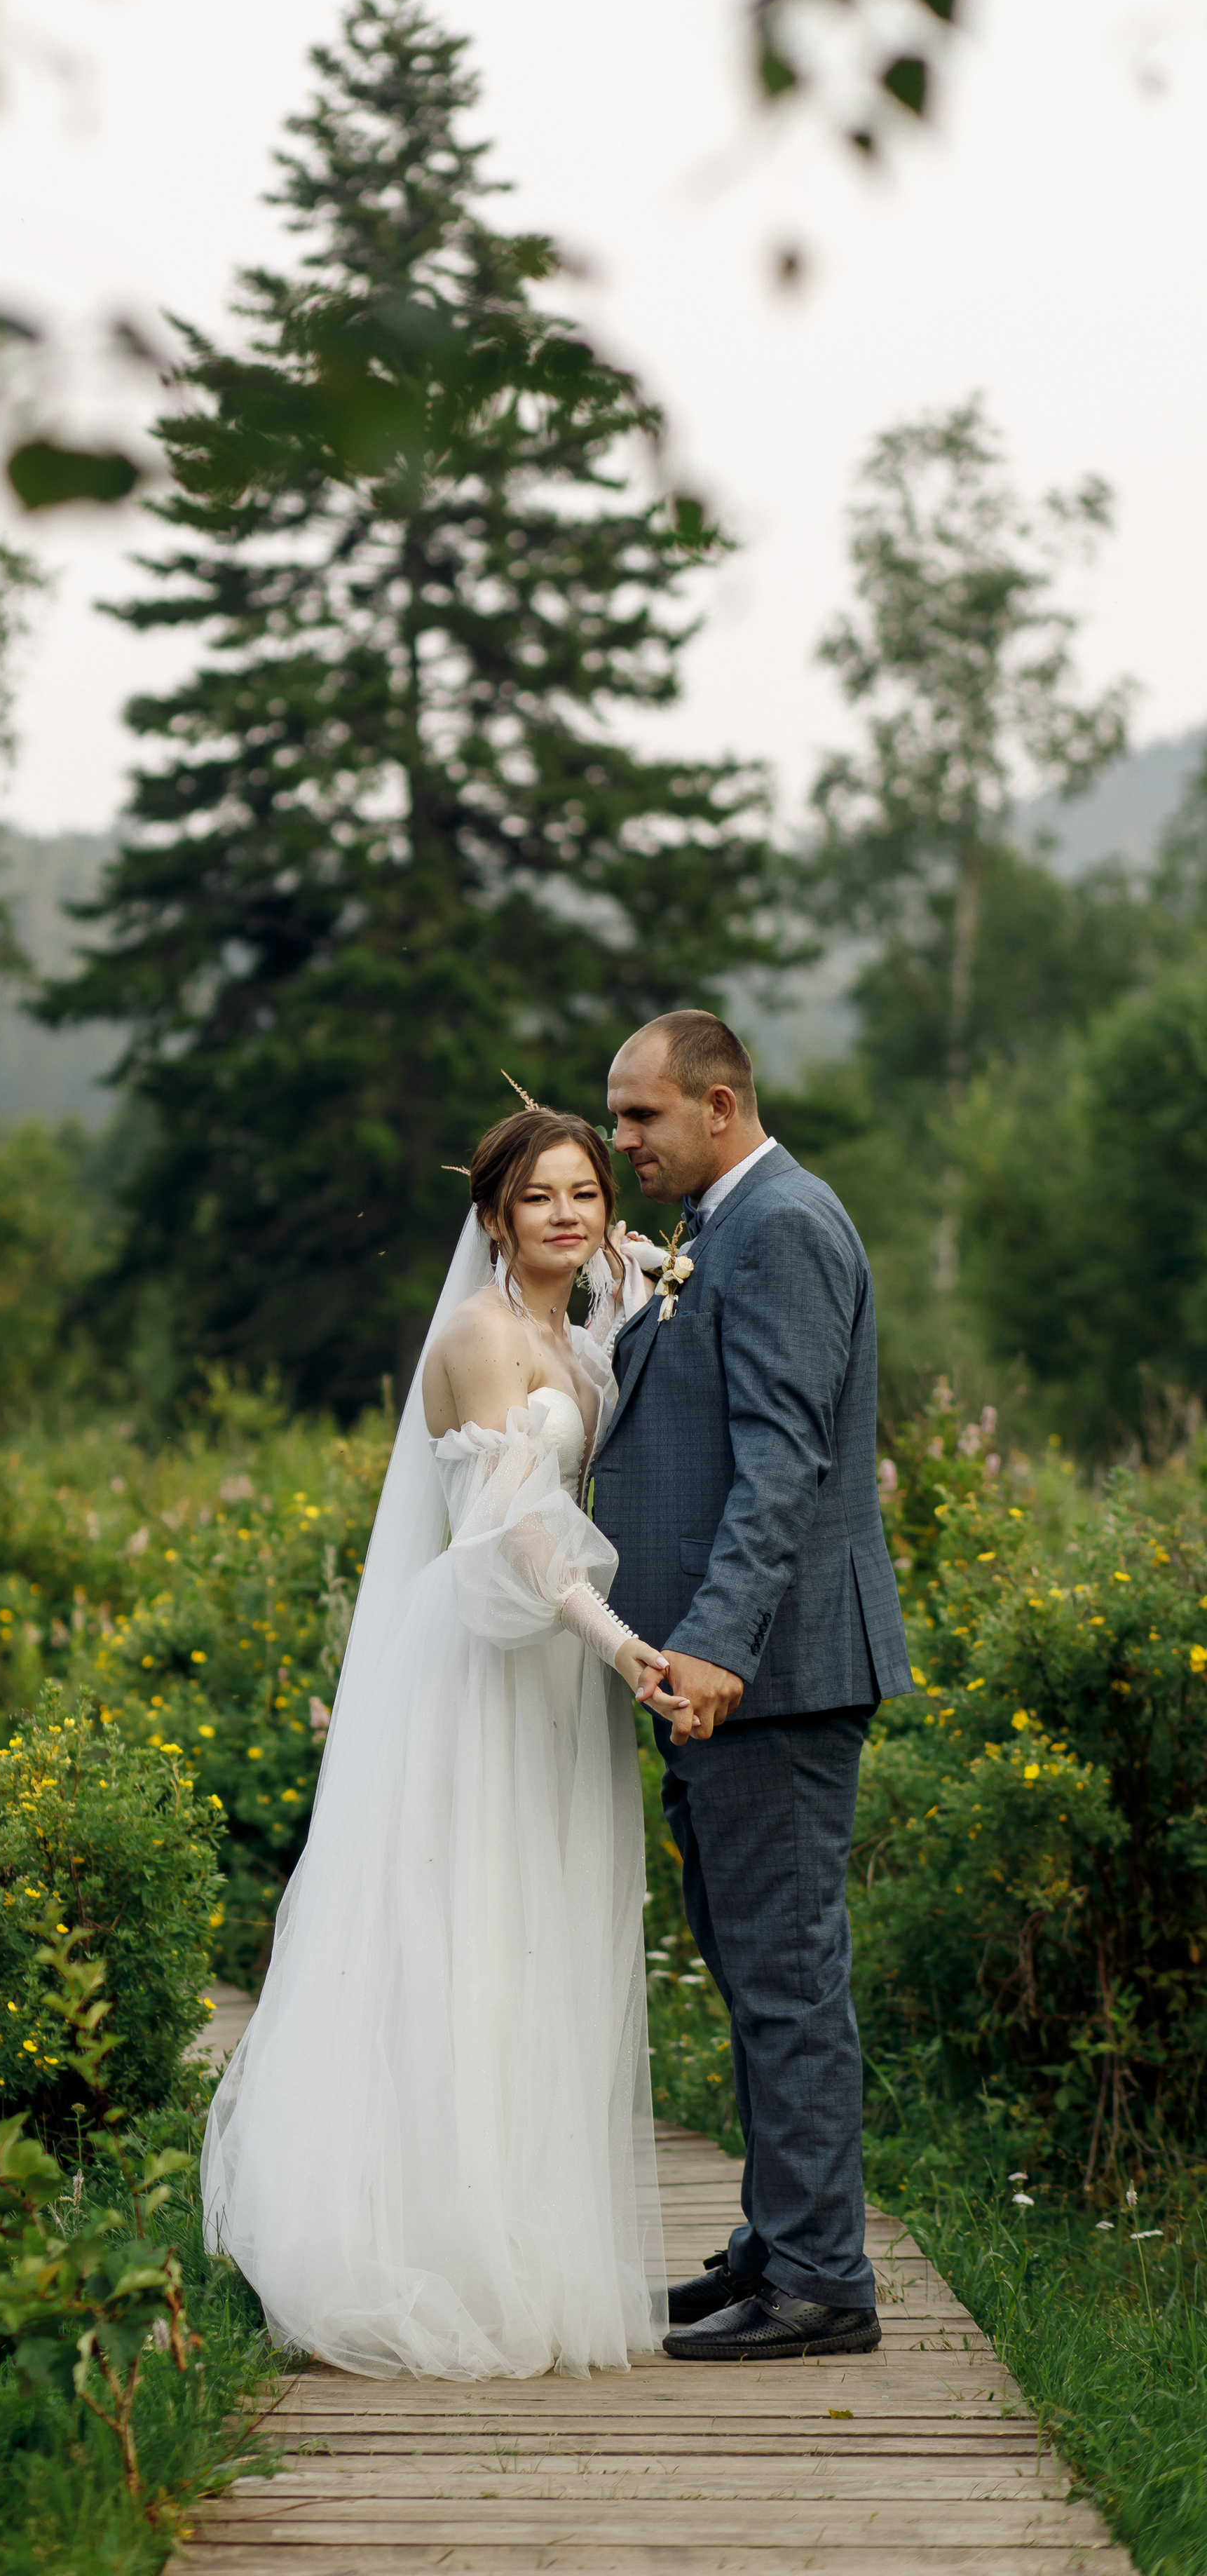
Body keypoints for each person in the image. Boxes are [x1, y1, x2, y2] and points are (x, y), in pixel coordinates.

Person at [200, 1102, 691, 2379]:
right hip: (489, 1666)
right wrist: (622, 1645)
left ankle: (526, 2238)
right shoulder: (480, 1338)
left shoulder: (567, 1326)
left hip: (555, 1680)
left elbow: (605, 1361)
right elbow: (516, 1535)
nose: (572, 1215)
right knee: (470, 1933)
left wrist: (634, 1285)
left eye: (587, 1193)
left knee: (548, 1942)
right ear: (493, 1218)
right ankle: (440, 2245)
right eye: (542, 1199)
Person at [592, 1009, 913, 2363]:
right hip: (725, 1674)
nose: (619, 1143)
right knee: (751, 1965)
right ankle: (780, 2241)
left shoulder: (779, 1224)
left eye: (640, 1117)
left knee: (786, 1975)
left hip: (768, 1675)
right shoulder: (720, 1227)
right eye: (615, 1117)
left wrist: (716, 1641)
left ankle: (825, 2281)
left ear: (718, 1106)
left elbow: (782, 1461)